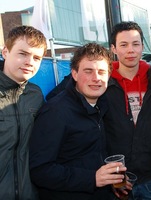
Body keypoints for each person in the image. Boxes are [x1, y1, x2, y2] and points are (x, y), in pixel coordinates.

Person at [29, 43, 126, 200]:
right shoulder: (56, 111)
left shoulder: (102, 105)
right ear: (74, 74)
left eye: (101, 72)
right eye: (88, 71)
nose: (96, 78)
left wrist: (109, 180)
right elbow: (40, 170)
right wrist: (92, 178)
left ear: (108, 76)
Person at [103, 21, 151, 199]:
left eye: (135, 44)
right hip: (118, 179)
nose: (131, 50)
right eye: (123, 45)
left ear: (142, 46)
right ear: (113, 49)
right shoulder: (102, 82)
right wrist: (111, 173)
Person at [0, 25, 47, 200]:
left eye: (37, 57)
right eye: (23, 54)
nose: (30, 62)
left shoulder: (35, 95)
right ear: (5, 52)